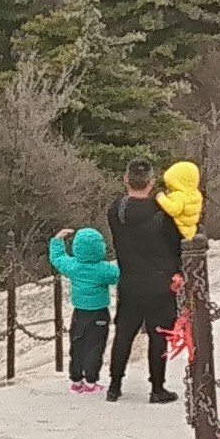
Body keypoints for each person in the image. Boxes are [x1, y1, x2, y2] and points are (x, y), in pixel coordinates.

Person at [104, 166, 188, 407]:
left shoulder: (116, 211)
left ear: (125, 179)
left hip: (130, 280)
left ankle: (114, 385)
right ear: (151, 182)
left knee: (123, 334)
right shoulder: (163, 213)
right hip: (160, 282)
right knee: (159, 335)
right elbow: (176, 245)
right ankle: (157, 388)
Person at [47, 215, 119, 394]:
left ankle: (76, 380)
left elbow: (58, 259)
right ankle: (91, 381)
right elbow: (122, 274)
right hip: (99, 312)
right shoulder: (104, 269)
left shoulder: (73, 266)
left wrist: (57, 240)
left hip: (79, 312)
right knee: (95, 347)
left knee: (77, 345)